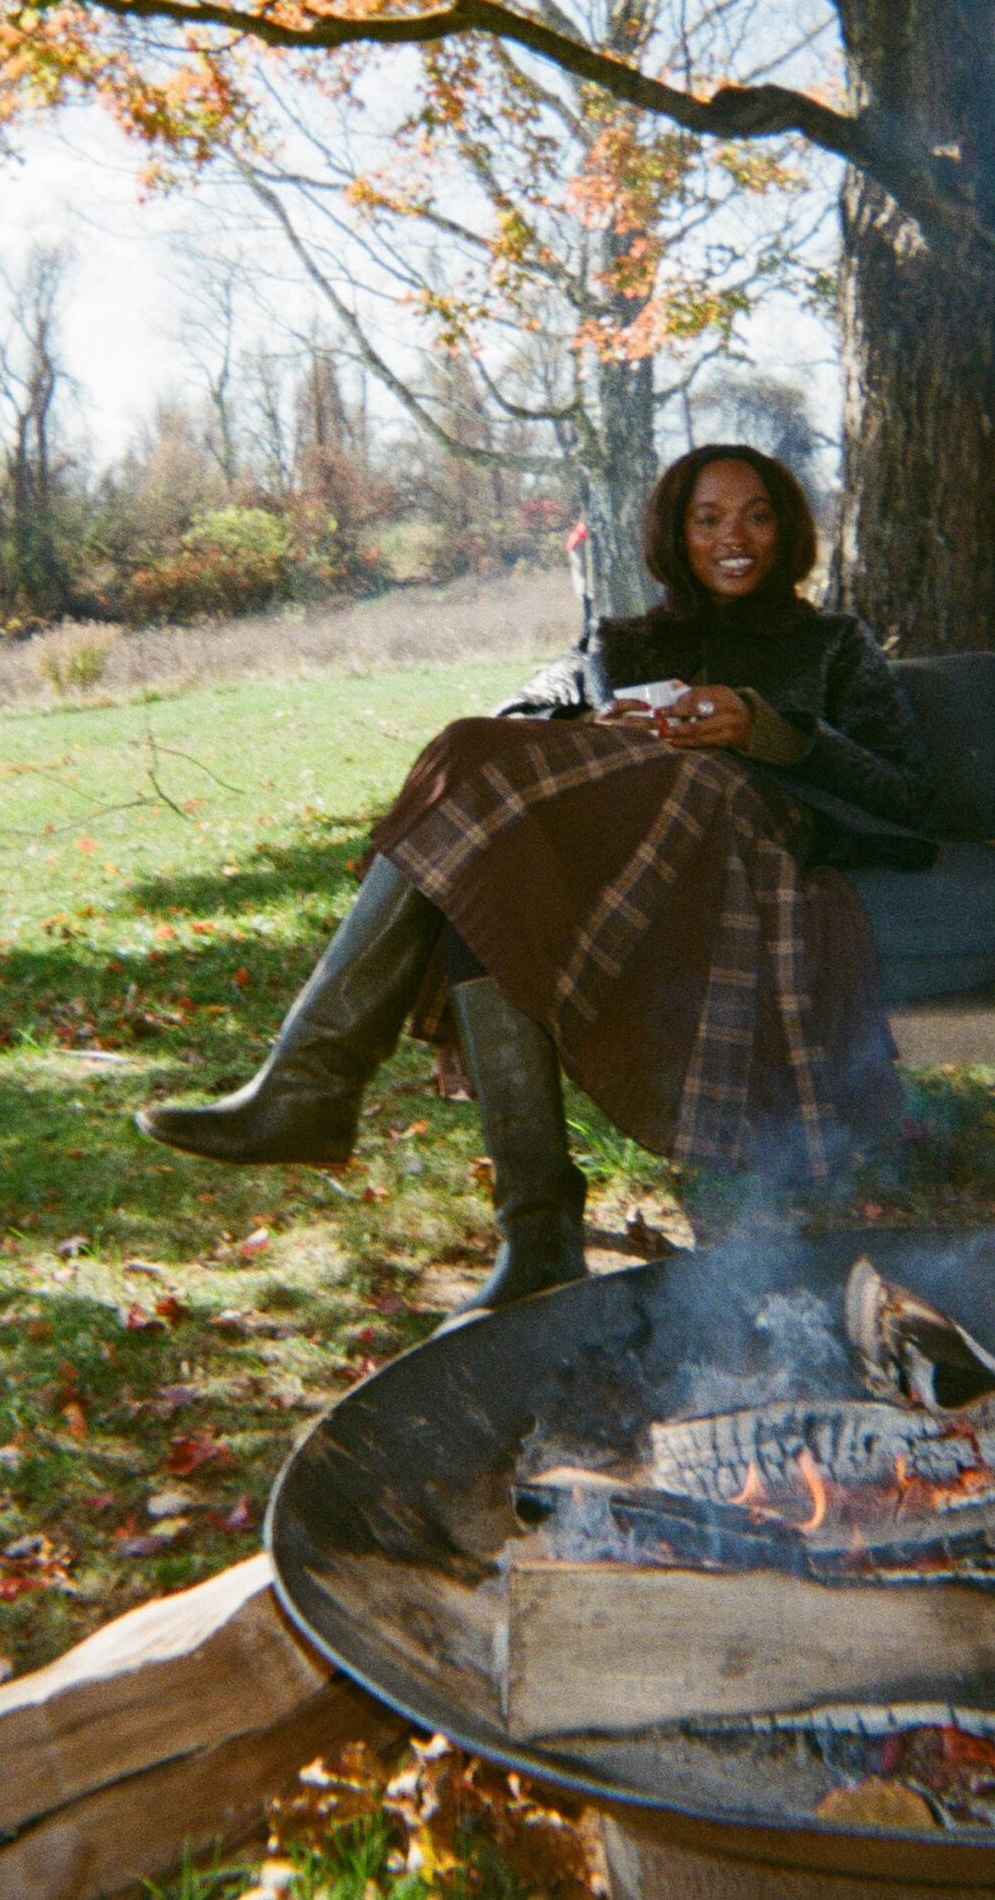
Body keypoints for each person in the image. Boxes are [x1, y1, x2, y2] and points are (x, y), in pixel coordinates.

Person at [138, 446, 935, 1316]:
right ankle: (540, 1238)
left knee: (539, 775)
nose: (732, 538)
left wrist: (766, 729)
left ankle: (314, 1084)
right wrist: (597, 726)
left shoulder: (832, 643)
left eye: (755, 515)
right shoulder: (622, 642)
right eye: (706, 519)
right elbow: (517, 721)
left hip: (744, 865)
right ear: (674, 534)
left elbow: (906, 795)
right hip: (630, 878)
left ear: (786, 531)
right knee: (480, 888)